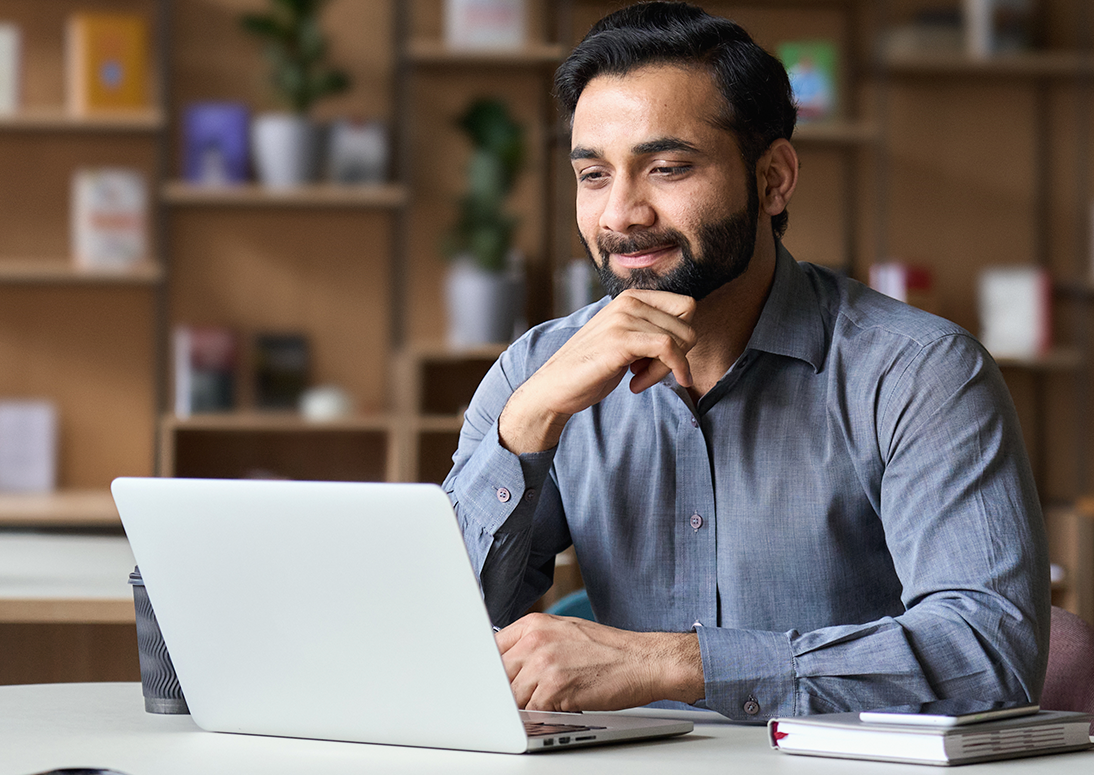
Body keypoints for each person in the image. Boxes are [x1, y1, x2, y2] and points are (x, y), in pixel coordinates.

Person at [443, 2, 1049, 722]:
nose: (620, 215)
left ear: (773, 179)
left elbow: (989, 653)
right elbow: (430, 638)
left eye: (666, 167)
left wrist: (678, 662)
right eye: (594, 174)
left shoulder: (920, 373)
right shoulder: (535, 373)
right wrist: (527, 426)